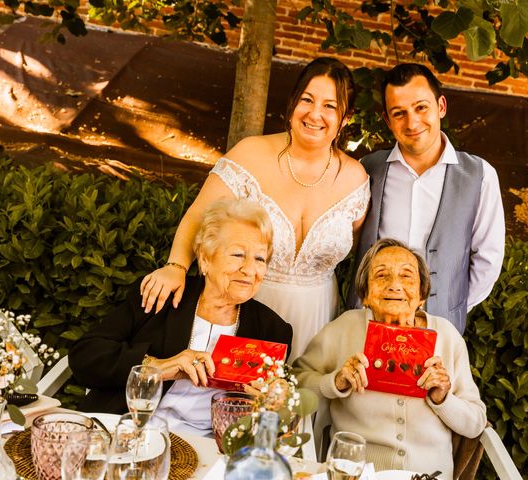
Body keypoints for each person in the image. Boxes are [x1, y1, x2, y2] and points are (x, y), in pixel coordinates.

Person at [140, 57, 369, 360]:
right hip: (246, 306)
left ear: (346, 117)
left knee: (304, 397)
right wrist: (176, 266)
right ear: (292, 103)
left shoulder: (356, 179)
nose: (315, 114)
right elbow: (199, 215)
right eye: (307, 100)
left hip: (319, 315)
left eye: (330, 106)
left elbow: (358, 253)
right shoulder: (251, 153)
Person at [69, 199, 293, 436]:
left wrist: (276, 404)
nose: (249, 270)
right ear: (205, 259)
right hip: (126, 425)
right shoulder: (162, 296)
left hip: (205, 447)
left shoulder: (273, 331)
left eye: (259, 259)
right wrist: (158, 367)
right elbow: (85, 356)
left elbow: (273, 424)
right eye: (238, 255)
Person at [296, 239, 486, 479]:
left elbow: (476, 424)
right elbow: (295, 383)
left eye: (406, 276)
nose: (395, 285)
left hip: (428, 475)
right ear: (365, 294)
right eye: (381, 275)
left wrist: (443, 399)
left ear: (422, 295)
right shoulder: (344, 328)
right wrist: (336, 382)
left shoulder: (446, 336)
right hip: (358, 473)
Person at [347, 63, 505, 334]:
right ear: (387, 120)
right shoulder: (367, 169)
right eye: (399, 113)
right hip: (366, 321)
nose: (412, 123)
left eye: (421, 108)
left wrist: (447, 307)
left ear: (441, 106)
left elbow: (488, 260)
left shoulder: (480, 175)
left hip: (438, 328)